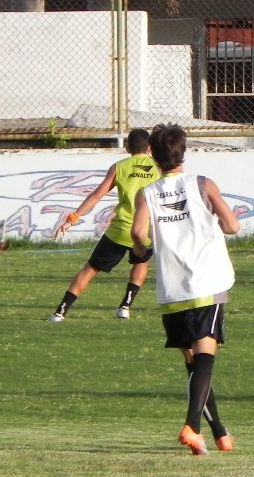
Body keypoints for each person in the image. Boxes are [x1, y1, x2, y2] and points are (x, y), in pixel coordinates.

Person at [131, 124, 240, 456]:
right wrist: (221, 222)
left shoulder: (146, 193)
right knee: (205, 359)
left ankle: (219, 433)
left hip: (172, 288)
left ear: (154, 156)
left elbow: (138, 233)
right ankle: (192, 427)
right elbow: (233, 226)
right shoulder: (202, 184)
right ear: (183, 151)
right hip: (208, 282)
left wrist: (142, 252)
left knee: (194, 366)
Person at [48, 128, 158, 322]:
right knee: (141, 262)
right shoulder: (158, 167)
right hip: (146, 229)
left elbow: (97, 195)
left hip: (120, 230)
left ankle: (61, 311)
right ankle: (125, 306)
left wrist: (72, 218)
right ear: (150, 148)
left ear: (127, 148)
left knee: (90, 268)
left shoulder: (120, 167)